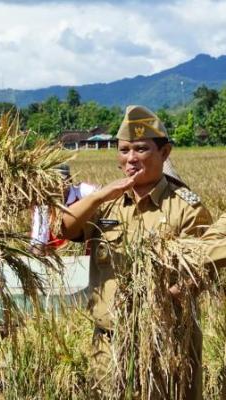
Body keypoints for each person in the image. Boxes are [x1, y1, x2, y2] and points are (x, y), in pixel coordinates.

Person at [60, 105, 212, 399]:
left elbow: (203, 272)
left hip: (166, 345)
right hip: (109, 346)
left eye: (141, 149)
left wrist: (170, 292)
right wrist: (102, 194)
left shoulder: (186, 208)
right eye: (123, 150)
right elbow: (65, 229)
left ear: (165, 153)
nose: (130, 159)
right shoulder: (107, 203)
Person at [31, 163, 97, 251]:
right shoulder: (44, 203)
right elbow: (39, 237)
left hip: (82, 252)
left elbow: (102, 195)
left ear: (69, 179)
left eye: (60, 180)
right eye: (53, 181)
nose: (57, 185)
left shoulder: (81, 191)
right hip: (55, 254)